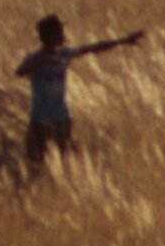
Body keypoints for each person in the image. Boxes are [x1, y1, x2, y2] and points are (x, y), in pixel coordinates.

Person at [14, 15, 145, 173]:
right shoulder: (35, 58)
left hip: (61, 119)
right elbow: (20, 72)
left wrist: (122, 41)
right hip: (40, 121)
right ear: (49, 36)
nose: (64, 36)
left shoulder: (64, 54)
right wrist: (40, 62)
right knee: (34, 165)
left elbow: (93, 47)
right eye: (60, 32)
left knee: (62, 164)